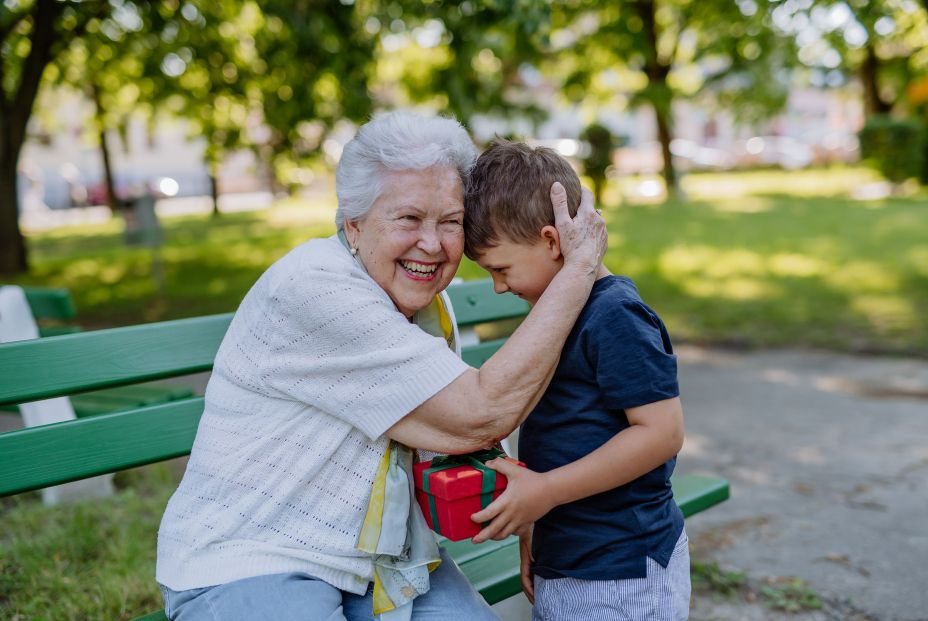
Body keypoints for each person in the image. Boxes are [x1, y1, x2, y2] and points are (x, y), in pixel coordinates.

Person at [154, 112, 607, 621]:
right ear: (354, 223)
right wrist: (578, 268)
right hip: (257, 557)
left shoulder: (426, 306)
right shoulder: (317, 290)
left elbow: (465, 434)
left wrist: (529, 520)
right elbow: (480, 412)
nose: (432, 245)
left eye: (450, 222)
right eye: (409, 219)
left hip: (385, 563)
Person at [463, 140, 689, 621]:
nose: (499, 287)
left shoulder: (615, 316)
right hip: (569, 559)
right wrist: (534, 528)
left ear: (551, 241)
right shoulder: (557, 316)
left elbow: (662, 433)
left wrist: (545, 492)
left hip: (621, 568)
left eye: (500, 269)